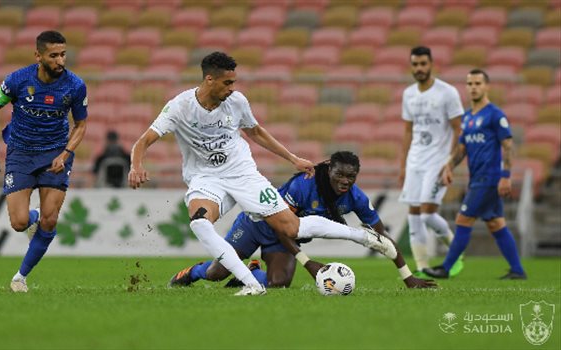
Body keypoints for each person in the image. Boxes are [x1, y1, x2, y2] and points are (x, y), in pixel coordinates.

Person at [128, 52, 398, 296]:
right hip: (206, 178)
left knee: (292, 227)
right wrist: (136, 165)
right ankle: (252, 284)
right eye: (227, 83)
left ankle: (362, 236)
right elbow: (143, 141)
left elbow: (255, 132)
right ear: (209, 80)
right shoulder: (179, 106)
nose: (232, 88)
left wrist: (292, 158)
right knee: (200, 222)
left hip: (244, 174)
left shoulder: (237, 102)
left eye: (234, 82)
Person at [168, 151, 437, 289]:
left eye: (351, 177)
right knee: (217, 274)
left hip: (286, 237)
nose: (345, 181)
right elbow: (282, 225)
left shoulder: (355, 198)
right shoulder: (304, 186)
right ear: (329, 169)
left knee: (278, 284)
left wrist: (408, 276)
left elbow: (382, 237)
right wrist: (307, 263)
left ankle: (251, 272)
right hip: (258, 225)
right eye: (340, 174)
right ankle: (193, 272)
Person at [0, 31, 88, 292]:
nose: (60, 61)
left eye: (63, 54)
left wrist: (65, 154)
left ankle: (20, 277)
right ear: (38, 56)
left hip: (55, 155)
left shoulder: (75, 85)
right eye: (54, 56)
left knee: (50, 222)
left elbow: (81, 124)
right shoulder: (18, 80)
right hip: (20, 153)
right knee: (19, 223)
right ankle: (34, 218)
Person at [423, 69, 527, 280]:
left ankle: (446, 268)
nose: (473, 87)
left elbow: (507, 145)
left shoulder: (495, 114)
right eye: (470, 84)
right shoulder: (468, 117)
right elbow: (462, 149)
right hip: (477, 179)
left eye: (478, 83)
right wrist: (449, 166)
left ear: (487, 86)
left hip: (488, 179)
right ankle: (517, 270)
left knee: (463, 220)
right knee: (496, 223)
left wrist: (506, 176)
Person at [399, 46, 465, 277]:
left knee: (427, 214)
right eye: (415, 64)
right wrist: (403, 165)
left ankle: (456, 251)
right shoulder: (409, 94)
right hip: (415, 161)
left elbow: (459, 130)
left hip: (437, 162)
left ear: (431, 64)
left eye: (423, 64)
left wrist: (450, 163)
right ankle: (423, 266)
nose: (419, 68)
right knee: (414, 214)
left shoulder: (447, 93)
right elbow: (408, 131)